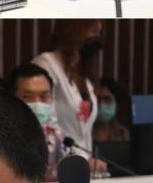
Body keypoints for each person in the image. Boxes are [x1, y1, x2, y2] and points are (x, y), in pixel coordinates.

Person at [33, 20, 102, 153]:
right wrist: (72, 157)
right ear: (74, 31)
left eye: (99, 33)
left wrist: (90, 159)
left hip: (83, 161)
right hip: (55, 158)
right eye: (93, 32)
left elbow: (85, 133)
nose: (97, 38)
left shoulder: (83, 73)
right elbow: (45, 122)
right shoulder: (47, 63)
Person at [7, 63, 66, 181]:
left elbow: (69, 160)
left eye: (44, 97)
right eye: (27, 96)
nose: (37, 103)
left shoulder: (55, 133)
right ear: (11, 99)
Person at [93, 77, 131, 143]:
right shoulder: (85, 131)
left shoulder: (123, 133)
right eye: (98, 99)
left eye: (107, 99)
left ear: (117, 104)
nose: (101, 104)